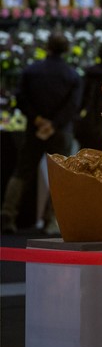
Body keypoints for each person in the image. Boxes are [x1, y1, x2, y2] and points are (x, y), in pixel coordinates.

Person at [1, 33, 81, 235]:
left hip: (33, 130)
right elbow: (73, 106)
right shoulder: (72, 75)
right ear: (67, 50)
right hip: (60, 131)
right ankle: (53, 221)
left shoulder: (31, 71)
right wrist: (54, 124)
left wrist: (37, 120)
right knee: (60, 175)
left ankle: (8, 216)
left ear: (47, 47)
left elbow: (20, 98)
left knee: (21, 172)